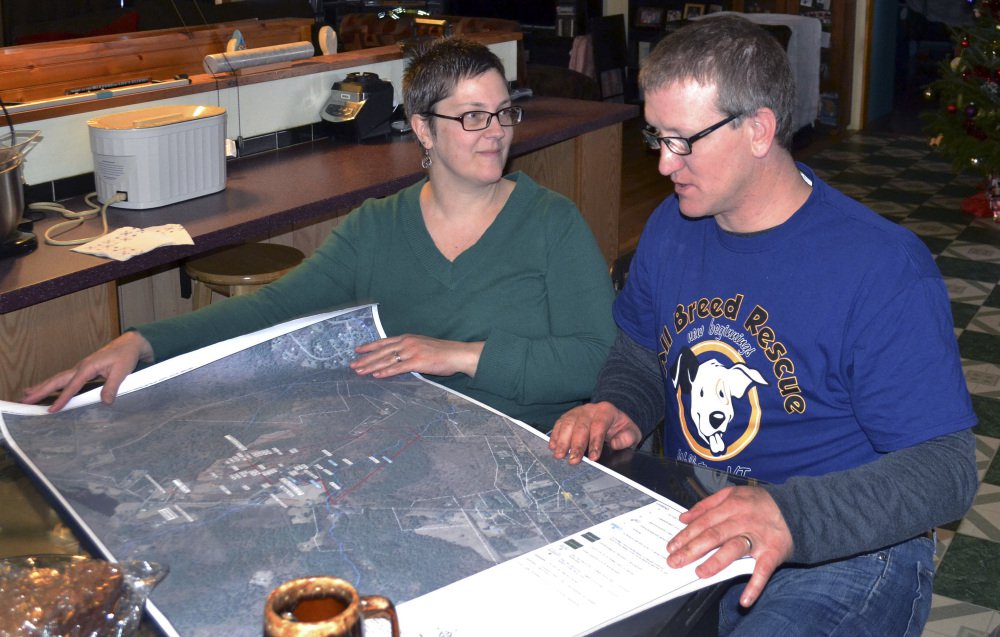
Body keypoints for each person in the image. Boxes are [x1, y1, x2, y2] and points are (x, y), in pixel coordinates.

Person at [548, 15, 978, 635]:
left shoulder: (880, 267)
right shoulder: (674, 227)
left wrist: (789, 514)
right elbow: (643, 350)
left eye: (683, 140)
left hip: (847, 547)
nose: (665, 165)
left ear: (759, 130)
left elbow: (946, 470)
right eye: (656, 136)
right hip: (695, 510)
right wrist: (620, 404)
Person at [23, 38, 616, 431]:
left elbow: (595, 361)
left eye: (502, 111)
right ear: (422, 131)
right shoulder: (376, 229)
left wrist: (456, 356)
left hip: (525, 446)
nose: (494, 132)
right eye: (470, 116)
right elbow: (269, 311)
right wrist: (141, 342)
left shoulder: (551, 222)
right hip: (413, 445)